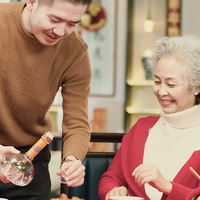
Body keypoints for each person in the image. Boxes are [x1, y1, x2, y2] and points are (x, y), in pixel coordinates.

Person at [0, 0, 92, 199]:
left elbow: (76, 122)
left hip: (30, 156)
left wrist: (72, 159)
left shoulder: (75, 52)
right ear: (32, 2)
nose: (60, 31)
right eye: (54, 19)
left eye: (72, 24)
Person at [98, 34, 200, 200]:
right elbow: (111, 178)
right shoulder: (142, 127)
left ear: (197, 87)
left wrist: (167, 186)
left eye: (171, 84)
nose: (161, 92)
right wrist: (114, 190)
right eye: (157, 82)